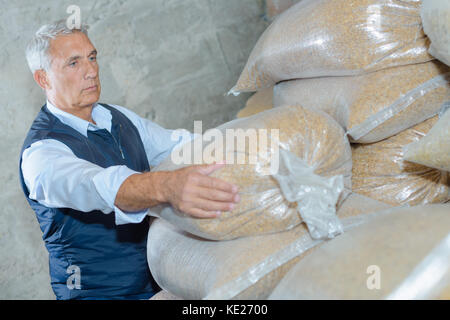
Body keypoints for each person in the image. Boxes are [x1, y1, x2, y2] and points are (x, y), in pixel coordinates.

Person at [19, 20, 240, 300]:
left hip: (158, 283)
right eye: (73, 63)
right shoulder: (42, 154)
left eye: (92, 57)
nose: (91, 71)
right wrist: (166, 187)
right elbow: (99, 185)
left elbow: (181, 146)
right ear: (44, 79)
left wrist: (242, 144)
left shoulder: (117, 118)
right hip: (97, 294)